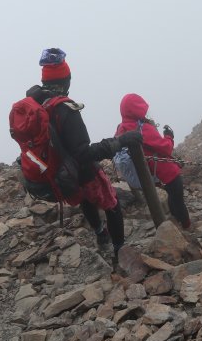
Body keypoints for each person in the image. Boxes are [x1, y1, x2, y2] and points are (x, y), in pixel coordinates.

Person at [25, 48, 142, 258]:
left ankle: (100, 233)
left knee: (85, 199)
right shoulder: (65, 109)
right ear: (66, 80)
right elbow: (83, 153)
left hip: (60, 171)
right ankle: (119, 250)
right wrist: (119, 142)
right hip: (81, 170)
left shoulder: (39, 105)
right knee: (111, 204)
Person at [114, 93, 191, 229]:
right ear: (137, 110)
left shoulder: (121, 128)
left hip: (152, 175)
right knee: (177, 197)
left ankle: (175, 222)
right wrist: (169, 136)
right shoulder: (144, 128)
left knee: (172, 195)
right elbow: (166, 148)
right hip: (166, 171)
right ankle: (187, 226)